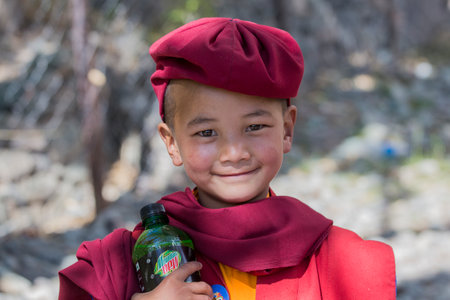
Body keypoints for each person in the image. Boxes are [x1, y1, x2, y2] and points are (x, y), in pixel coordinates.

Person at [59, 18, 396, 300]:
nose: (235, 153)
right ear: (171, 142)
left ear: (287, 129)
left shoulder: (334, 260)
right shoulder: (128, 260)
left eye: (255, 126)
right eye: (206, 133)